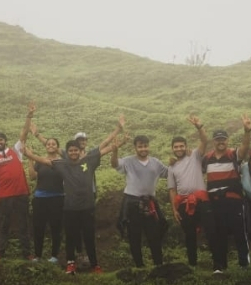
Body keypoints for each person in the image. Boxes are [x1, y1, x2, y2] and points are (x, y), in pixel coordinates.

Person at [25, 120, 123, 274]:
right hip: (70, 208)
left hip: (87, 206)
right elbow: (45, 160)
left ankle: (94, 264)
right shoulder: (62, 164)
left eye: (75, 150)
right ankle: (70, 263)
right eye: (70, 151)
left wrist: (117, 141)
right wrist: (29, 155)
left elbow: (104, 148)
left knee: (89, 236)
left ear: (80, 150)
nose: (73, 153)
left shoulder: (89, 161)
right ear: (67, 152)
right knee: (70, 236)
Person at [112, 131, 169, 267]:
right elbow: (115, 164)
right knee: (134, 236)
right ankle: (139, 266)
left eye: (145, 146)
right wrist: (115, 152)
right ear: (135, 148)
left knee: (154, 234)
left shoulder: (156, 163)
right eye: (140, 146)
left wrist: (177, 162)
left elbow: (169, 173)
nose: (143, 149)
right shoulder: (128, 161)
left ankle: (158, 265)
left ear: (149, 146)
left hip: (150, 202)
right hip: (132, 202)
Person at [202, 117, 251, 271]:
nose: (221, 142)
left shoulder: (233, 154)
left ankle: (244, 264)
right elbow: (192, 165)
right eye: (218, 139)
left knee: (239, 232)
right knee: (219, 234)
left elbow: (245, 147)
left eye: (223, 139)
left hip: (233, 200)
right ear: (214, 141)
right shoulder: (207, 158)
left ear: (227, 140)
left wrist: (247, 131)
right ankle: (220, 266)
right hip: (215, 202)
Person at [167, 115, 213, 269]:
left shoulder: (194, 156)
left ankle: (217, 262)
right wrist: (174, 209)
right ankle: (193, 264)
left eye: (181, 146)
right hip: (183, 203)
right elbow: (172, 189)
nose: (179, 149)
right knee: (189, 234)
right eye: (176, 147)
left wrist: (199, 127)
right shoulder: (171, 167)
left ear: (186, 146)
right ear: (172, 149)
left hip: (201, 201)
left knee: (210, 230)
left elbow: (205, 141)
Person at [0, 103, 35, 260]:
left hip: (21, 193)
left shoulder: (16, 150)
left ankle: (27, 253)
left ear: (5, 140)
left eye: (1, 139)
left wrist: (29, 116)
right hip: (4, 196)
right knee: (4, 225)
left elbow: (24, 134)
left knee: (23, 224)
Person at [29, 135, 65, 262]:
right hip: (40, 199)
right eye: (48, 144)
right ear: (45, 146)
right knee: (38, 227)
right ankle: (38, 255)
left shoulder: (62, 162)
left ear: (57, 147)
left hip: (57, 198)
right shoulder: (40, 161)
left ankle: (54, 256)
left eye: (53, 144)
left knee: (56, 228)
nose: (50, 145)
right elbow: (32, 177)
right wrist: (30, 159)